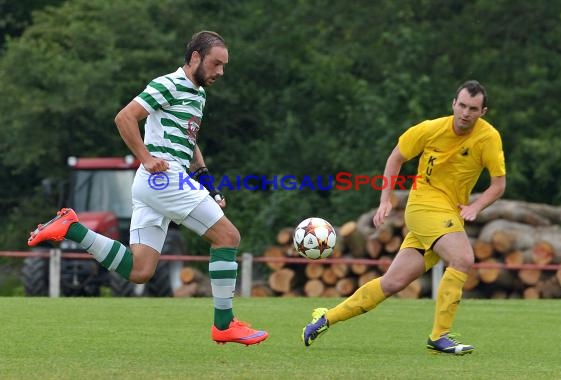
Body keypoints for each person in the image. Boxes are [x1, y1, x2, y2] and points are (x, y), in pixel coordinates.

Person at [28, 31, 269, 346]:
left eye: (223, 66)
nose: (220, 72)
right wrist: (145, 157)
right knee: (228, 237)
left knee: (140, 270)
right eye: (215, 64)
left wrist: (207, 181)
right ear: (195, 57)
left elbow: (189, 141)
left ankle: (72, 229)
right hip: (163, 177)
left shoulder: (198, 94)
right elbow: (125, 117)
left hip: (153, 184)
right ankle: (224, 325)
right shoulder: (168, 84)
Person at [302, 80, 506, 355]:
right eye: (461, 105)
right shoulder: (430, 129)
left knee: (392, 283)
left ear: (483, 111)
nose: (465, 113)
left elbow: (498, 184)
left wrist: (476, 206)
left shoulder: (489, 138)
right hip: (423, 206)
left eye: (472, 108)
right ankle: (440, 335)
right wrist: (385, 199)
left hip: (448, 212)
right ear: (453, 104)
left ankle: (324, 319)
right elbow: (395, 158)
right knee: (463, 259)